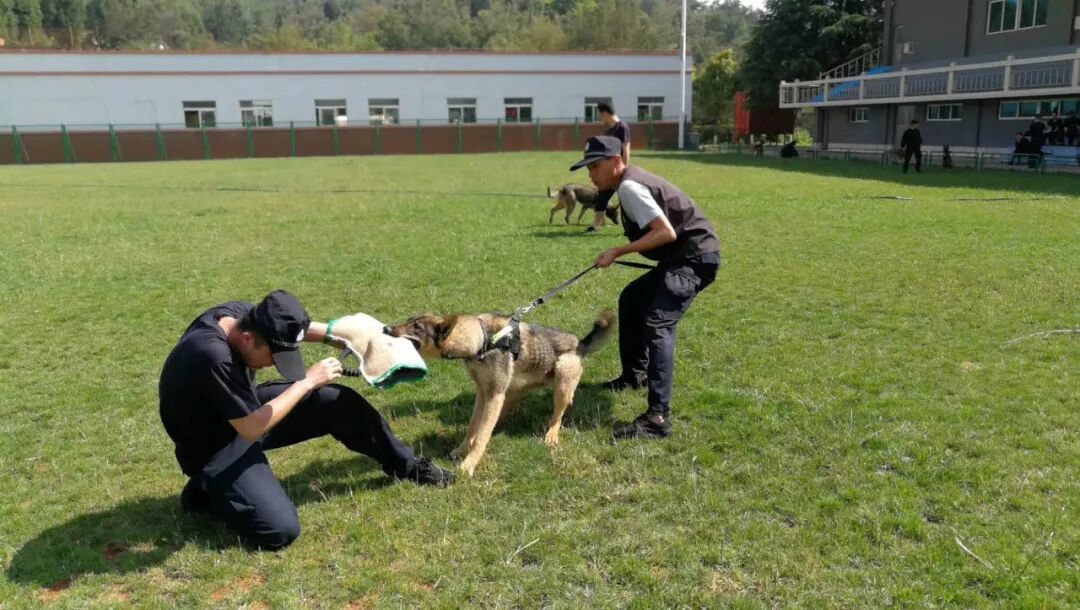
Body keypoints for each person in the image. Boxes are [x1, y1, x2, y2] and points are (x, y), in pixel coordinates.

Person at [159, 290, 454, 551]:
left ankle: (407, 466)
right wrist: (307, 382)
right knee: (279, 531)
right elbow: (252, 428)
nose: (274, 365)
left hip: (240, 409)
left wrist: (342, 337)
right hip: (214, 443)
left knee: (337, 402)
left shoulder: (242, 317)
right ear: (248, 339)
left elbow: (294, 328)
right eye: (274, 358)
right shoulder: (212, 354)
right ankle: (206, 487)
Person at [570, 136, 720, 440]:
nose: (590, 174)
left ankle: (658, 418)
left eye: (595, 166)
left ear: (615, 162)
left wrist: (617, 251)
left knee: (658, 323)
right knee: (633, 298)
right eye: (588, 168)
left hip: (694, 259)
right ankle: (633, 375)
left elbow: (664, 232)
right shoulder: (625, 184)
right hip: (683, 257)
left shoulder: (629, 186)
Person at [585, 102, 631, 233]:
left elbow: (626, 149)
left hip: (619, 170)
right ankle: (595, 226)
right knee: (602, 197)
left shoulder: (622, 127)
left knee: (626, 200)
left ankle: (629, 227)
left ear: (605, 113)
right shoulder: (609, 131)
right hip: (608, 171)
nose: (600, 118)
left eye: (600, 114)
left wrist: (623, 171)